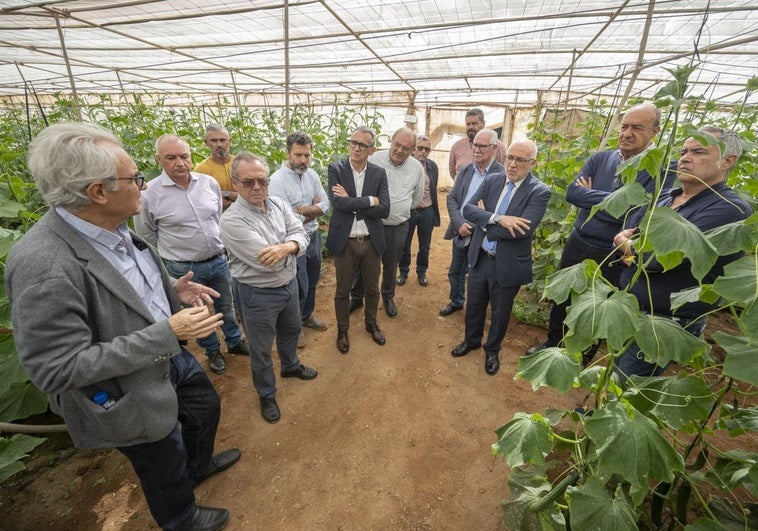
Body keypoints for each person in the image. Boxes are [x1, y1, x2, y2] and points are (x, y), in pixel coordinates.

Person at [6, 122, 240, 531]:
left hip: (168, 356)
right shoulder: (44, 264)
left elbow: (120, 289)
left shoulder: (111, 228)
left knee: (205, 407)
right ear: (98, 192)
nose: (143, 185)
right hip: (129, 386)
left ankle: (199, 467)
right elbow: (55, 367)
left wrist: (170, 289)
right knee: (160, 455)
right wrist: (166, 332)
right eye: (135, 178)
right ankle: (181, 518)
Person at [525, 102, 677, 359]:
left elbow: (642, 211)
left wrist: (592, 195)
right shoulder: (600, 158)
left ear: (655, 132)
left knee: (598, 305)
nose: (627, 133)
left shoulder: (661, 167)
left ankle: (581, 355)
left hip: (612, 249)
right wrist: (615, 200)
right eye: (624, 126)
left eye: (637, 128)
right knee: (564, 296)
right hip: (579, 240)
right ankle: (552, 344)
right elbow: (573, 193)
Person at [613, 126, 752, 382]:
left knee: (628, 389)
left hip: (666, 322)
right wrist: (631, 252)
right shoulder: (667, 198)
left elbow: (655, 259)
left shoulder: (730, 210)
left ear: (728, 160)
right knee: (614, 377)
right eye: (684, 151)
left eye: (698, 151)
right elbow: (629, 236)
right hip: (631, 308)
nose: (685, 158)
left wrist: (629, 248)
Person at [135, 134, 248, 376]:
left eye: (184, 156)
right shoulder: (149, 194)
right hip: (184, 269)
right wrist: (175, 252)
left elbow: (217, 216)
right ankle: (212, 351)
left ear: (191, 157)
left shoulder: (208, 183)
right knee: (198, 312)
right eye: (171, 157)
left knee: (226, 305)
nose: (180, 162)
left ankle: (234, 341)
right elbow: (146, 235)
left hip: (218, 259)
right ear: (159, 160)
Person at [219, 152, 318, 423]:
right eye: (248, 182)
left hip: (288, 285)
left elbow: (301, 234)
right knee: (261, 349)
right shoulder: (232, 220)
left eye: (262, 181)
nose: (257, 188)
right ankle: (266, 393)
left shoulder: (278, 204)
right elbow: (266, 260)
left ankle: (290, 366)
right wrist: (291, 244)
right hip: (257, 293)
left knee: (290, 330)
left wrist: (288, 245)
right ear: (235, 182)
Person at [451, 139, 551, 375]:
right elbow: (467, 209)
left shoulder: (539, 191)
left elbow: (521, 232)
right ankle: (471, 340)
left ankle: (492, 350)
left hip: (507, 264)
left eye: (520, 160)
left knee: (500, 312)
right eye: (510, 158)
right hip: (481, 256)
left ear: (533, 163)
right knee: (474, 304)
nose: (512, 164)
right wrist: (498, 218)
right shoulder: (493, 179)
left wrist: (483, 220)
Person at [326, 126, 390, 353]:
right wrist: (369, 200)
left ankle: (371, 324)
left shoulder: (378, 173)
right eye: (353, 142)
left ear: (372, 150)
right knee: (342, 290)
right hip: (346, 240)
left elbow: (384, 209)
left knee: (373, 288)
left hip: (371, 240)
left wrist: (353, 202)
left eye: (362, 145)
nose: (356, 148)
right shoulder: (336, 169)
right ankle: (342, 330)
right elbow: (338, 204)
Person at [351, 127, 424, 317]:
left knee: (391, 264)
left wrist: (400, 209)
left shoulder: (416, 168)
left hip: (397, 227)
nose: (399, 150)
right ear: (391, 141)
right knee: (362, 261)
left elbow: (416, 197)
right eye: (397, 144)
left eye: (406, 148)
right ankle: (357, 297)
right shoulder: (374, 159)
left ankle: (388, 297)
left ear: (412, 150)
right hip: (371, 224)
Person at [269, 132, 331, 347]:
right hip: (294, 242)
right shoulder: (276, 181)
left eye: (307, 155)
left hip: (313, 237)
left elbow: (326, 204)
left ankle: (306, 316)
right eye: (298, 155)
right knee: (298, 285)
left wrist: (303, 210)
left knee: (312, 281)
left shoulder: (312, 175)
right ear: (287, 153)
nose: (303, 160)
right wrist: (313, 210)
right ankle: (293, 328)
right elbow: (287, 221)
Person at [440, 128, 505, 316]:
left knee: (476, 276)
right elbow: (452, 199)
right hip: (460, 229)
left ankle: (475, 311)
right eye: (475, 145)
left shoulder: (501, 175)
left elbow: (497, 210)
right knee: (455, 271)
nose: (476, 149)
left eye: (482, 146)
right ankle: (457, 300)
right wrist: (459, 223)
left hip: (482, 233)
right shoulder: (466, 170)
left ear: (494, 148)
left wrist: (475, 226)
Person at [397, 134, 441, 287]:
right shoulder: (404, 166)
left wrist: (433, 212)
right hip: (408, 211)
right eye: (420, 148)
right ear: (414, 149)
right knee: (404, 243)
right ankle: (403, 271)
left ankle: (421, 272)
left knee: (424, 245)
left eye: (427, 149)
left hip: (427, 211)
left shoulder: (432, 167)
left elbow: (433, 189)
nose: (423, 151)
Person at [448, 108, 507, 180]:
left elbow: (503, 172)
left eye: (474, 123)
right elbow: (452, 172)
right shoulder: (457, 146)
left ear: (483, 123)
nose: (470, 127)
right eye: (468, 124)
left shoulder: (498, 147)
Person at [195, 123, 238, 210]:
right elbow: (205, 203)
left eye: (222, 140)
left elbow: (252, 195)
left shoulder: (241, 163)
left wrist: (227, 194)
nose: (219, 145)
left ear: (229, 141)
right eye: (214, 141)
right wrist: (238, 199)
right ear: (206, 143)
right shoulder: (201, 171)